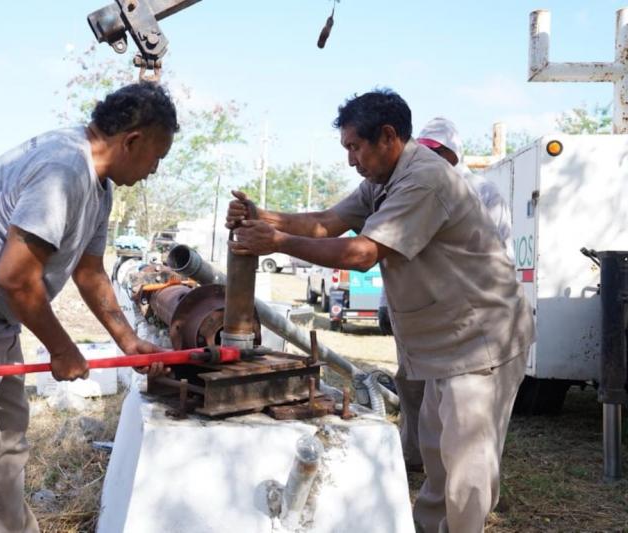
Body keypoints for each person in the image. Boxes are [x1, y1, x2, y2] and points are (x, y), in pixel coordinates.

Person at [226, 88, 534, 533]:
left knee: (468, 471)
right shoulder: (380, 182)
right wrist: (265, 215)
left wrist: (277, 243)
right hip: (444, 342)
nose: (351, 159)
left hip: (481, 340)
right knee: (437, 458)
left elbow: (362, 253)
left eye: (355, 146)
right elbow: (328, 222)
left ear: (387, 136)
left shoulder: (425, 179)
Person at [0, 81, 177, 532]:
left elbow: (89, 272)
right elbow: (15, 276)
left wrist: (129, 342)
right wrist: (63, 350)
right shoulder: (64, 167)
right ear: (132, 141)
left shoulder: (99, 188)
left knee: (7, 446)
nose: (154, 170)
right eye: (157, 157)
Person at [387, 116, 515, 473]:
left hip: (466, 315)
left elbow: (500, 252)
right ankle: (415, 457)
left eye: (438, 153)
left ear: (453, 155)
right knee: (414, 387)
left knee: (466, 406)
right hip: (418, 311)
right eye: (424, 152)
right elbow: (392, 250)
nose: (430, 159)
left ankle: (472, 475)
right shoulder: (408, 188)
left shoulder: (482, 191)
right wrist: (387, 304)